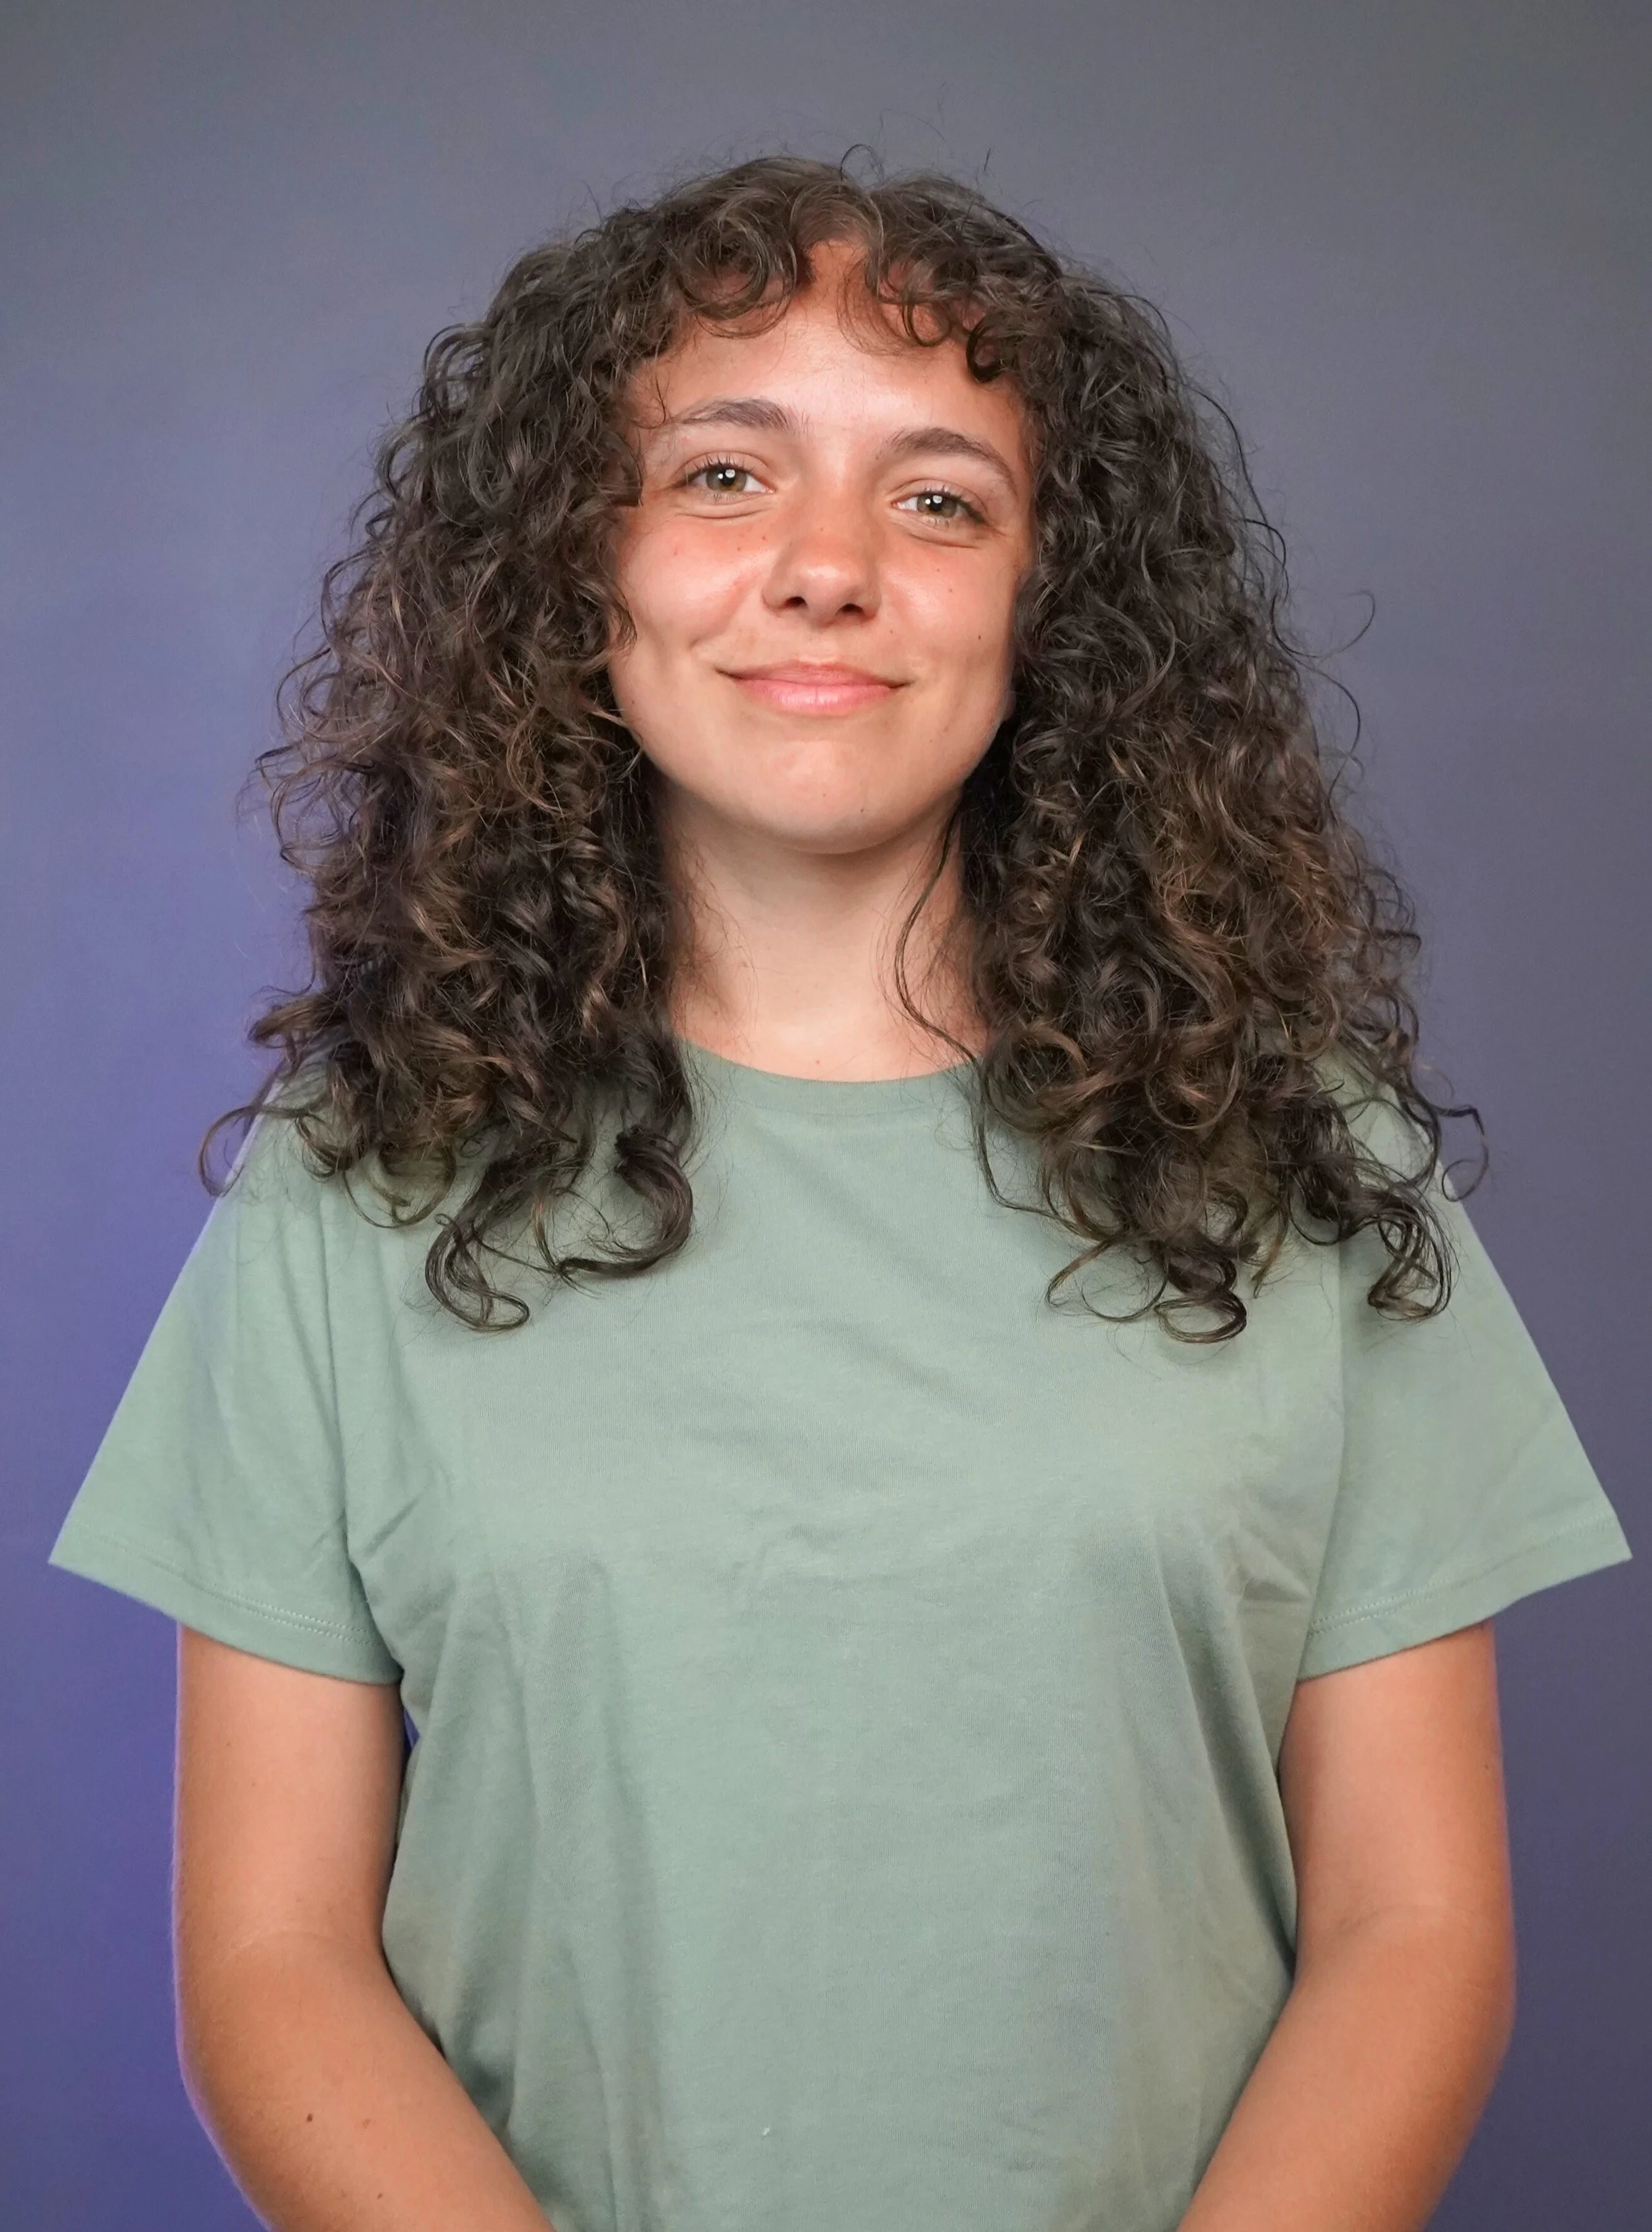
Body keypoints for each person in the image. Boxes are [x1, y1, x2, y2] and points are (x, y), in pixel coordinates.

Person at [49, 151, 1632, 2232]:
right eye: (722, 476)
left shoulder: (1305, 1162)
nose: (826, 568)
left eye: (939, 496)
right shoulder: (357, 1190)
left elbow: (1414, 1933)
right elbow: (272, 1964)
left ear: (1044, 604)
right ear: (573, 568)